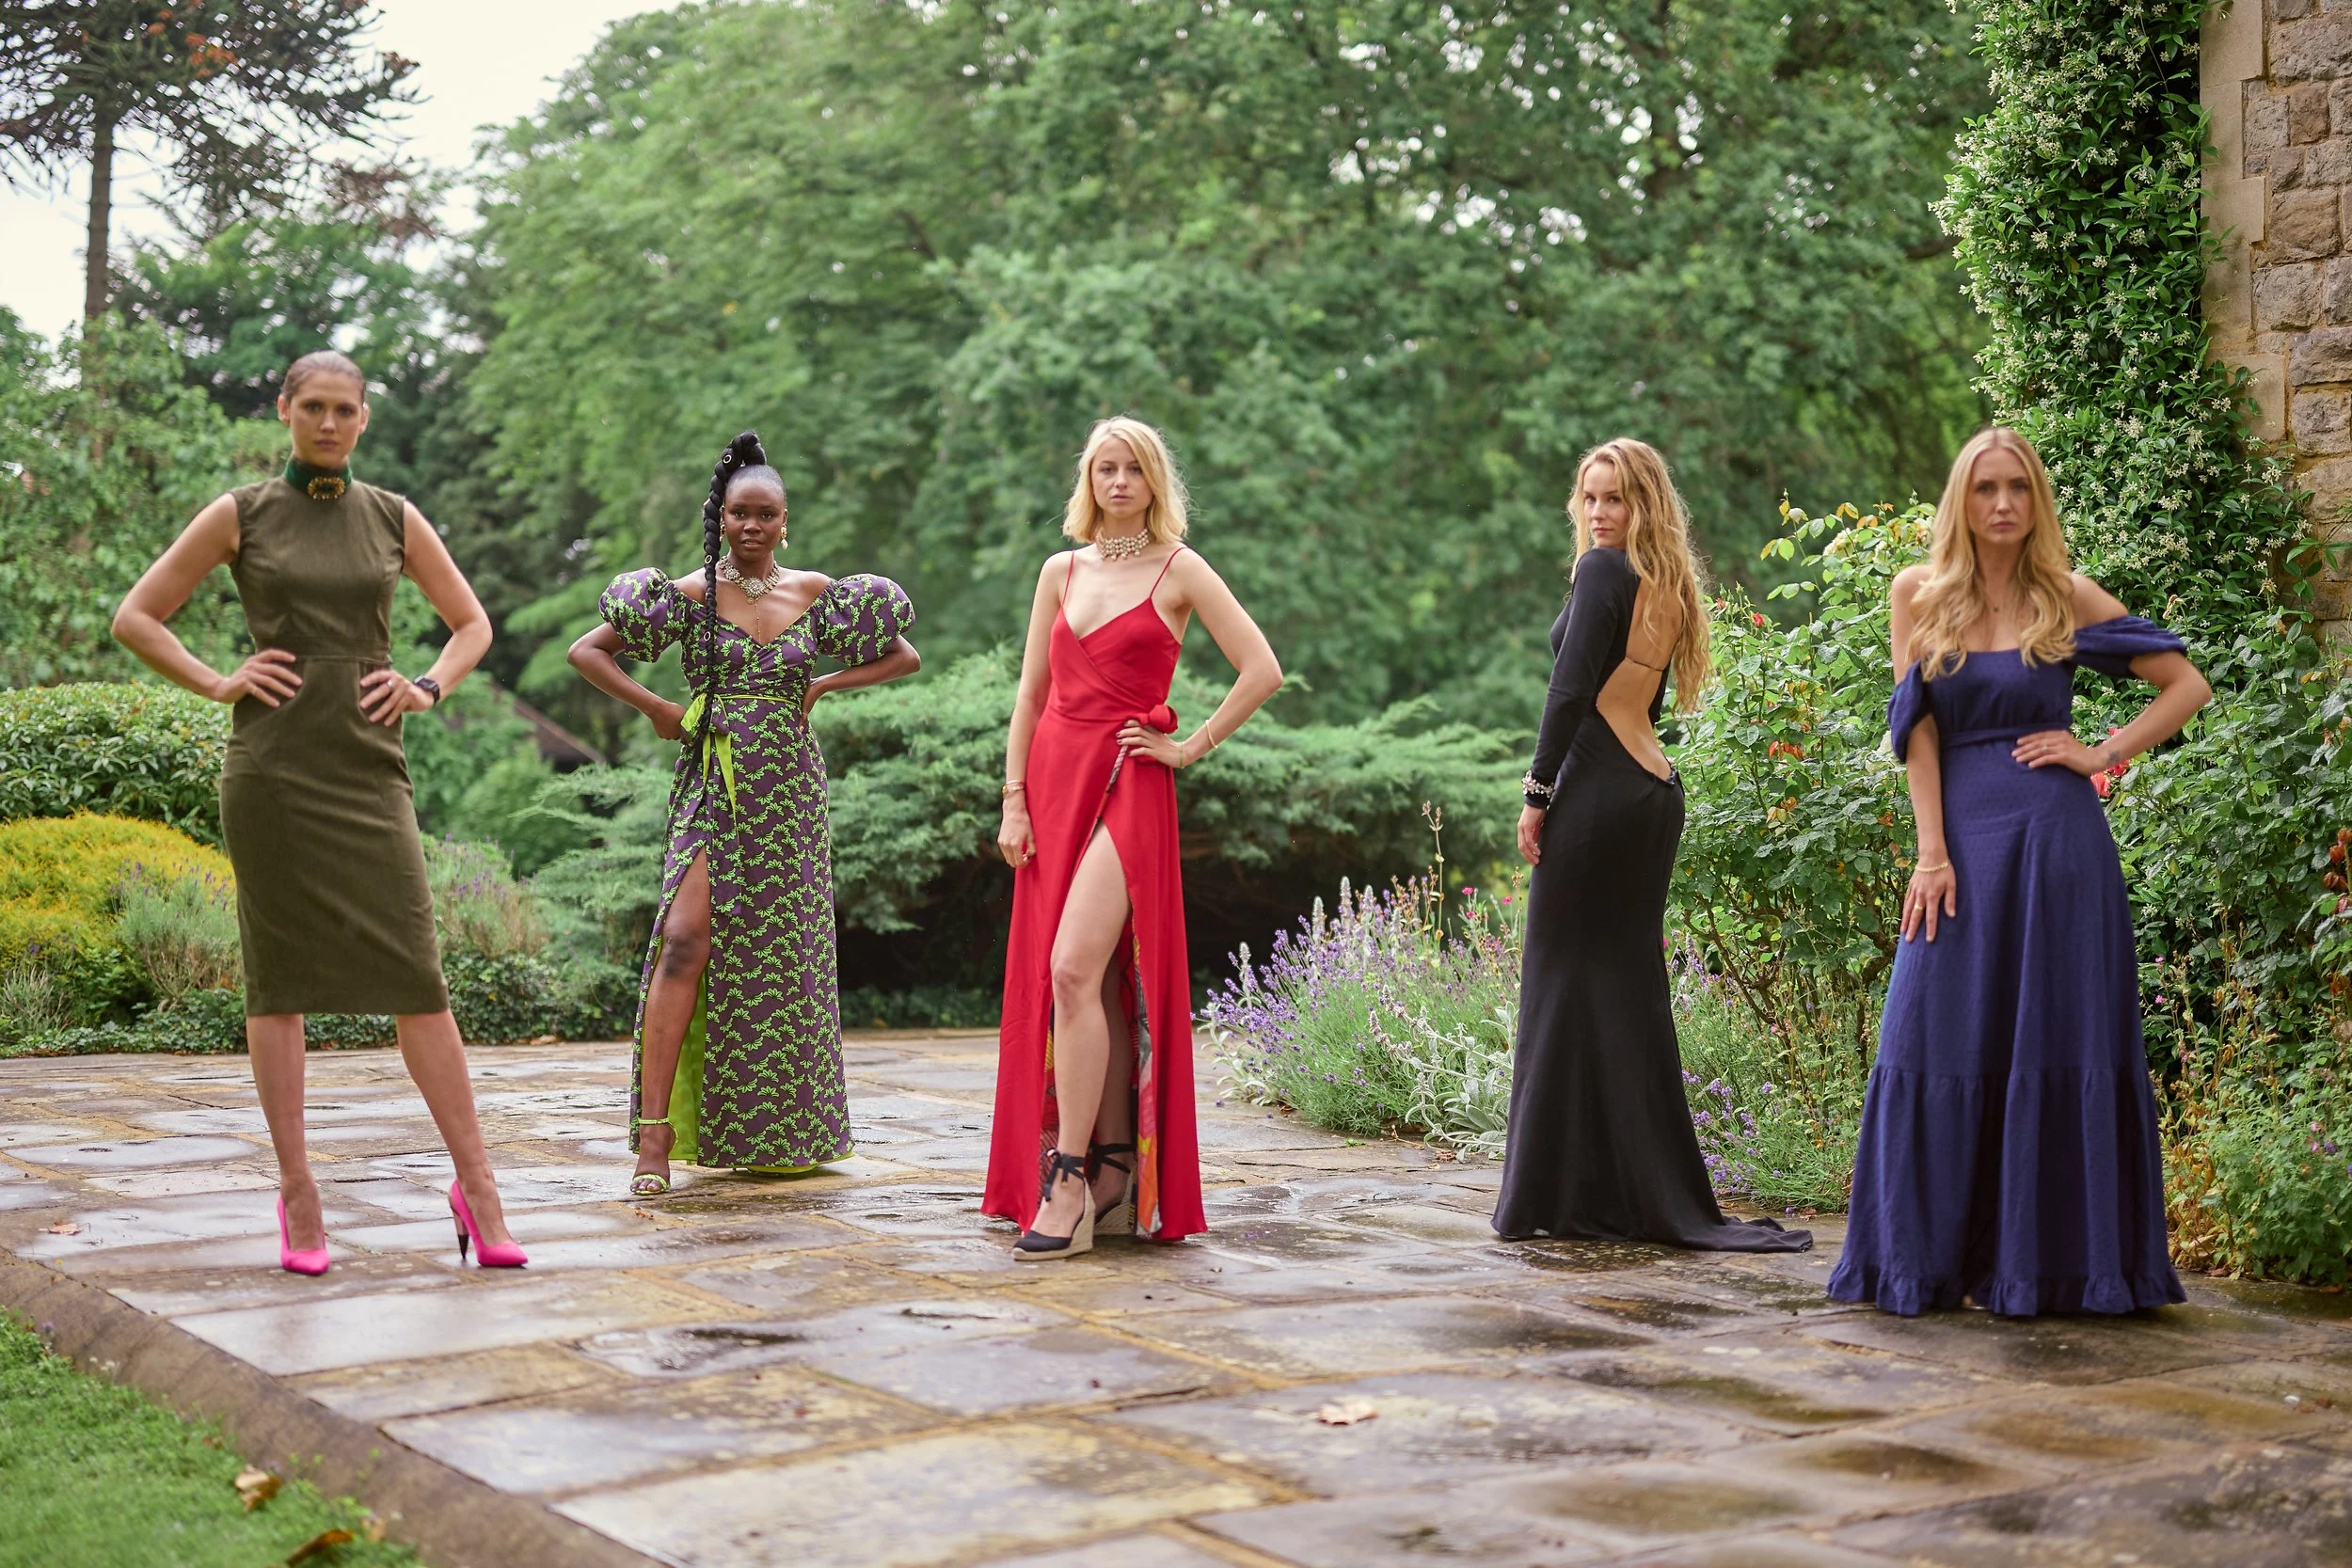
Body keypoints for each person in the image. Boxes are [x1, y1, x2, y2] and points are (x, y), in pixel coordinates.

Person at [113, 349, 523, 1275]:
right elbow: (138, 615)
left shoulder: (392, 516)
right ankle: (299, 1193)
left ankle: (480, 1186)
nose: (330, 423)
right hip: (273, 770)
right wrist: (220, 679)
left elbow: (472, 623)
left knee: (417, 973)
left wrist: (426, 686)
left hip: (369, 763)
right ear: (286, 411)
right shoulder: (242, 512)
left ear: (365, 419)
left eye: (346, 409)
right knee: (282, 981)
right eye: (315, 407)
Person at [1829, 427, 2207, 1316]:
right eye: (1986, 487)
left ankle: (2057, 1269)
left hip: (2057, 855)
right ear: (1961, 499)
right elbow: (1915, 730)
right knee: (1930, 1031)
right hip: (1960, 850)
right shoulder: (1918, 595)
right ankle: (1921, 1260)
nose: (2002, 503)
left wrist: (2101, 752)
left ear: (2037, 501)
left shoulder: (2064, 597)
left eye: (2019, 488)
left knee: (2056, 1041)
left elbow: (2184, 684)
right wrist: (1931, 851)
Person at [569, 432, 918, 1195]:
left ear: (784, 521)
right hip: (712, 783)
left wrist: (823, 687)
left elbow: (904, 657)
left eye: (765, 515)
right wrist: (661, 708)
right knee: (686, 940)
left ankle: (774, 1132)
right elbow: (587, 652)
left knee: (780, 961)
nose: (752, 526)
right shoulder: (690, 596)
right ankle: (654, 1139)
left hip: (791, 795)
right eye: (738, 514)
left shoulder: (819, 592)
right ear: (721, 518)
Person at [1493, 437, 1811, 1254]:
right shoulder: (1666, 584)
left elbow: (1570, 695)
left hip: (1598, 793)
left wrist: (1537, 793)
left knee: (1562, 981)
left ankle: (1557, 1194)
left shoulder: (1604, 573)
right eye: (1590, 498)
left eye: (1616, 499)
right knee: (1621, 992)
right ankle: (1627, 1190)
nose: (1599, 514)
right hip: (1648, 796)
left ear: (1646, 504)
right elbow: (1639, 695)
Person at [986, 417, 1281, 1260]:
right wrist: (1013, 799)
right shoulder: (1060, 570)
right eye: (1105, 469)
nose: (1119, 482)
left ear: (1156, 482)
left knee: (1074, 967)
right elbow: (1030, 697)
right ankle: (1114, 1168)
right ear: (1089, 481)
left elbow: (1261, 667)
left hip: (1128, 783)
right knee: (1091, 985)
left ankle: (1071, 1175)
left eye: (1134, 470)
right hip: (1051, 781)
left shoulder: (1181, 568)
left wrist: (1189, 746)